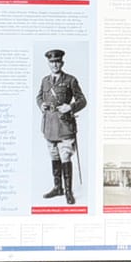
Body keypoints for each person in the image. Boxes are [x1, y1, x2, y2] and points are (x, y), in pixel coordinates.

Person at [37, 48, 88, 204]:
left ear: (62, 62)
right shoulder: (45, 80)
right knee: (54, 155)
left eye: (57, 61)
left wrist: (70, 107)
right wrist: (41, 105)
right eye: (52, 62)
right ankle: (57, 188)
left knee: (65, 156)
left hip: (65, 126)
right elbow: (39, 96)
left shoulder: (70, 80)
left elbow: (82, 100)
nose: (55, 64)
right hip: (49, 126)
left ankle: (68, 192)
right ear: (48, 63)